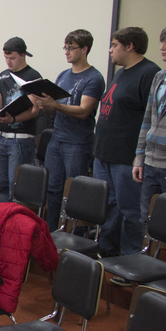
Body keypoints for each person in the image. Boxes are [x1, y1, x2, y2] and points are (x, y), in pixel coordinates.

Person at [93, 27, 160, 260]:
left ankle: (131, 258)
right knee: (108, 206)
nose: (110, 50)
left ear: (129, 46)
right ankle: (107, 251)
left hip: (126, 157)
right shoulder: (121, 72)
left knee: (130, 210)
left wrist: (139, 156)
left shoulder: (149, 73)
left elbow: (152, 118)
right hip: (105, 153)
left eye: (114, 45)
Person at [35, 29, 105, 231]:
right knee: (53, 189)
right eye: (65, 47)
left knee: (74, 191)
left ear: (84, 49)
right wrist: (45, 105)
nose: (66, 52)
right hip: (57, 138)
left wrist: (55, 106)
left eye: (71, 48)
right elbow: (56, 107)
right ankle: (51, 232)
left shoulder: (94, 78)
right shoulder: (63, 75)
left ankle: (76, 234)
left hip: (77, 142)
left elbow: (84, 111)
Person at [0, 37, 42, 203]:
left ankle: (14, 222)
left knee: (16, 185)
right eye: (6, 58)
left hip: (20, 138)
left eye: (12, 58)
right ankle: (0, 218)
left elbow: (34, 109)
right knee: (1, 184)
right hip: (1, 136)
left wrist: (13, 119)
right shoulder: (3, 76)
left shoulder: (33, 76)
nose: (8, 62)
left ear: (22, 55)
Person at [133, 25, 166, 236]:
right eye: (162, 41)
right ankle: (146, 260)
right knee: (146, 217)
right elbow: (147, 120)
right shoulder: (160, 77)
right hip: (150, 162)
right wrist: (140, 157)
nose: (162, 47)